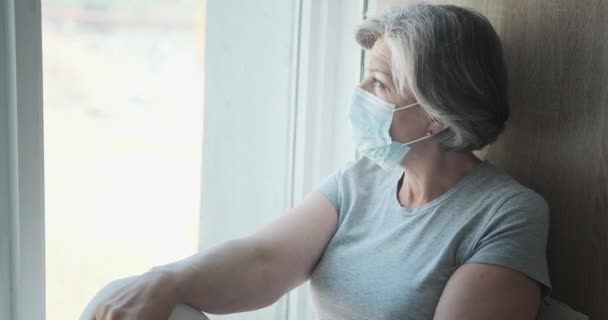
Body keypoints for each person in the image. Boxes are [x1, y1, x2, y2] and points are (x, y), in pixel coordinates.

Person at [92, 4, 551, 320]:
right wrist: (165, 280)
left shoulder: (506, 214)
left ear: (435, 115)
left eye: (378, 83)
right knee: (126, 300)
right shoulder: (361, 183)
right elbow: (263, 260)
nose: (360, 96)